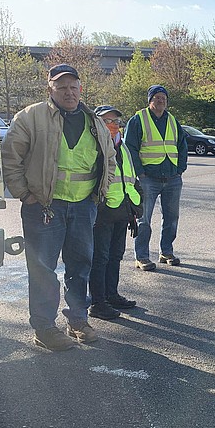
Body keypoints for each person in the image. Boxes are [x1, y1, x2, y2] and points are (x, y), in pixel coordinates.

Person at [1, 64, 116, 351]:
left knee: (80, 266)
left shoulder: (94, 121)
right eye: (61, 86)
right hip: (43, 206)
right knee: (43, 269)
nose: (69, 92)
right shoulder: (31, 116)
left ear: (80, 89)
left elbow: (110, 158)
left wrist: (100, 191)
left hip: (83, 206)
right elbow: (10, 157)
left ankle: (77, 320)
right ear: (50, 88)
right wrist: (25, 195)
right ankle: (44, 327)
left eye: (73, 86)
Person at [124, 85, 187, 271]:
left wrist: (180, 169)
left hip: (172, 178)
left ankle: (166, 251)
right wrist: (140, 173)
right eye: (157, 97)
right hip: (148, 179)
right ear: (150, 100)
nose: (161, 101)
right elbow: (130, 148)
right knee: (144, 219)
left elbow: (182, 146)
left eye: (164, 98)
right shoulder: (138, 120)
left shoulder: (173, 120)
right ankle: (141, 256)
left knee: (172, 217)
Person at [88, 106, 142, 320]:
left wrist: (135, 207)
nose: (113, 125)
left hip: (122, 210)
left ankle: (111, 295)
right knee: (99, 258)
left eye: (116, 121)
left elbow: (130, 179)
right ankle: (97, 302)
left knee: (115, 256)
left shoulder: (123, 146)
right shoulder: (92, 145)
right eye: (107, 120)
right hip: (102, 211)